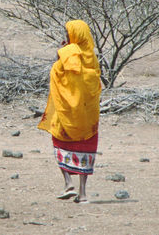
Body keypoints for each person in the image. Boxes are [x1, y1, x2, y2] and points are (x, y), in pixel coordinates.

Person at [38, 20, 101, 203]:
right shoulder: (93, 57)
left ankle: (68, 184)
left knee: (59, 142)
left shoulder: (67, 53)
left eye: (68, 33)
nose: (65, 36)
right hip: (88, 115)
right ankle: (82, 193)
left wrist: (60, 54)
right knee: (86, 148)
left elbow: (57, 73)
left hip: (65, 112)